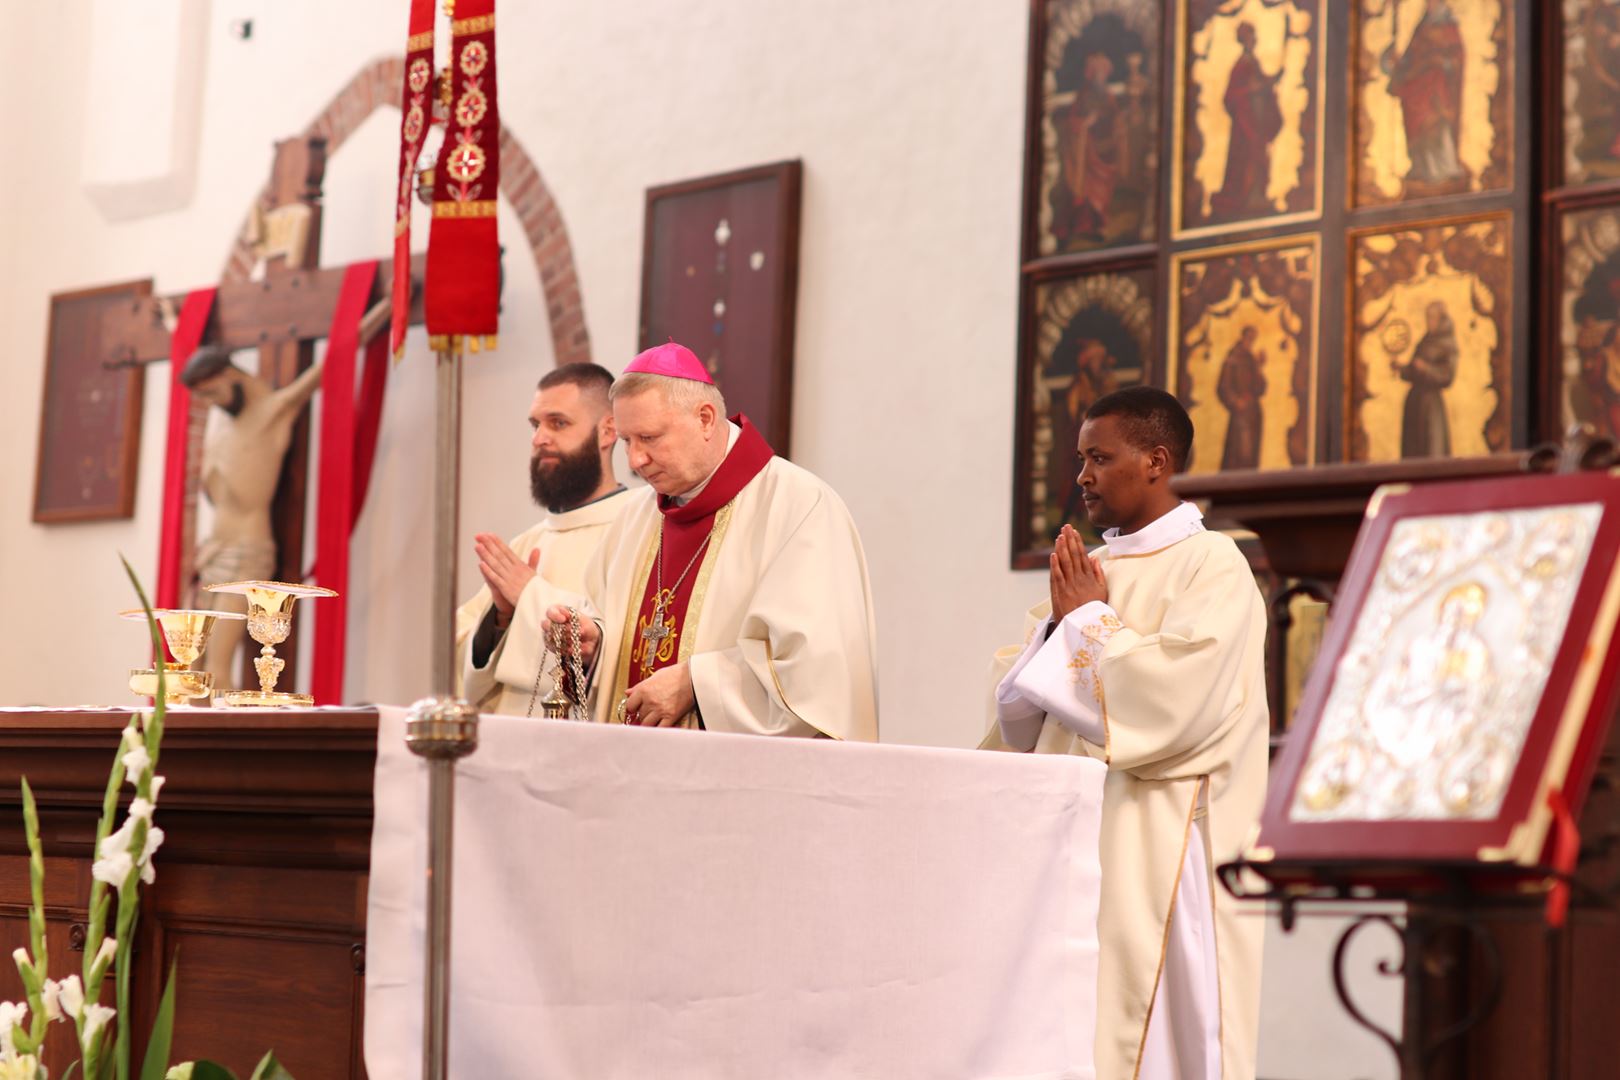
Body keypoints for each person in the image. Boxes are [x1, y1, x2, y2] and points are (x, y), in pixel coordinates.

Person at [989, 387, 1268, 1079]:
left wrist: (1084, 624)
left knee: (1156, 1040)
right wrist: (1057, 627)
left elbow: (1181, 702)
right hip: (1076, 842)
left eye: (1098, 458)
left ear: (1156, 461)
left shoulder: (1214, 564)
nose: (1081, 476)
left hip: (1163, 847)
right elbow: (1019, 710)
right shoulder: (1096, 568)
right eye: (1079, 459)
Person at [545, 342, 878, 740]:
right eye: (627, 442)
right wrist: (592, 643)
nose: (635, 461)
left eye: (649, 438)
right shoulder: (633, 518)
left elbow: (817, 676)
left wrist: (696, 684)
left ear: (705, 419)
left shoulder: (799, 507)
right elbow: (611, 640)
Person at [456, 363, 633, 715]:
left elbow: (629, 646)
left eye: (558, 423)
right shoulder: (527, 543)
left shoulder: (639, 529)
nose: (539, 439)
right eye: (536, 425)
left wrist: (530, 595)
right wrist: (501, 619)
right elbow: (465, 672)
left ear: (607, 431)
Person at [180, 345, 325, 683]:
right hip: (214, 551)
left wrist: (384, 309)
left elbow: (330, 362)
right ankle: (186, 735)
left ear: (232, 374)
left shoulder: (274, 411)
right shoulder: (227, 424)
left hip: (246, 551)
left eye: (214, 392)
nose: (213, 402)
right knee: (191, 662)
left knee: (217, 662)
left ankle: (217, 737)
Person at [1383, 0, 1467, 193]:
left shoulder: (1449, 27)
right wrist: (1393, 62)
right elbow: (1407, 61)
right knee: (1419, 129)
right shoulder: (1421, 29)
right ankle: (1421, 167)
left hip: (1438, 88)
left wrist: (1440, 62)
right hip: (1417, 89)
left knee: (1436, 125)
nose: (1429, 4)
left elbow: (1457, 59)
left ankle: (1444, 168)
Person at [1211, 22, 1282, 219]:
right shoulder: (1240, 65)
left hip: (1256, 119)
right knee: (1246, 159)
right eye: (1250, 36)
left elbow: (1262, 84)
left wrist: (1270, 82)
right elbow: (1230, 96)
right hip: (1244, 123)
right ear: (1244, 40)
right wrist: (1250, 90)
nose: (1253, 40)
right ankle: (1245, 196)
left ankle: (1257, 194)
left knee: (1258, 156)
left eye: (1254, 36)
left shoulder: (1253, 62)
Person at [1394, 300, 1457, 458]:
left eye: (1432, 317)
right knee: (1413, 450)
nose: (1428, 321)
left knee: (1431, 447)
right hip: (1415, 402)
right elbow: (1414, 372)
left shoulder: (1447, 344)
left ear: (1441, 319)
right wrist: (1401, 368)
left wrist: (1426, 369)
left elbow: (1447, 376)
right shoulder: (1425, 341)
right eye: (1427, 317)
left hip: (1431, 405)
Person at [1216, 325, 1267, 469]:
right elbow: (1223, 387)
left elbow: (1260, 388)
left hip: (1254, 413)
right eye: (1249, 338)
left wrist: (1259, 367)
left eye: (1253, 339)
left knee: (1251, 457)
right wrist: (1235, 401)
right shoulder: (1233, 359)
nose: (1251, 342)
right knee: (1239, 455)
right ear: (1243, 337)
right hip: (1240, 415)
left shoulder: (1251, 360)